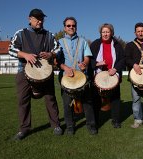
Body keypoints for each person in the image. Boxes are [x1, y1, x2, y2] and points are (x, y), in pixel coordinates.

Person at [9, 8, 63, 140]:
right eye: (37, 18)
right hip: (24, 71)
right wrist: (25, 55)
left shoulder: (49, 35)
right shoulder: (21, 33)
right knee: (23, 100)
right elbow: (11, 49)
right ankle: (24, 129)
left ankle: (56, 125)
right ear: (30, 19)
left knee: (50, 99)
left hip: (46, 73)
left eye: (41, 18)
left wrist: (51, 54)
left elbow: (58, 48)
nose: (39, 21)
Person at [56, 17, 97, 135]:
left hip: (82, 76)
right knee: (67, 104)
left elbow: (87, 56)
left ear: (76, 27)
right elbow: (56, 61)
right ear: (64, 28)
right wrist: (65, 68)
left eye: (73, 25)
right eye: (68, 26)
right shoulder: (59, 42)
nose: (71, 27)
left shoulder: (83, 41)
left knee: (87, 103)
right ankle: (70, 126)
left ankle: (91, 125)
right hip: (66, 77)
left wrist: (85, 63)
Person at [90, 23, 125, 128]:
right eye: (103, 32)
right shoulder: (95, 44)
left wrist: (115, 69)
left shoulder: (117, 44)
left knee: (115, 99)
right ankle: (95, 122)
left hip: (113, 75)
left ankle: (116, 120)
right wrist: (97, 63)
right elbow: (88, 58)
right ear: (100, 33)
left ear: (111, 33)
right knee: (96, 100)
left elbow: (123, 59)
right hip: (98, 75)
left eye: (107, 32)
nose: (105, 34)